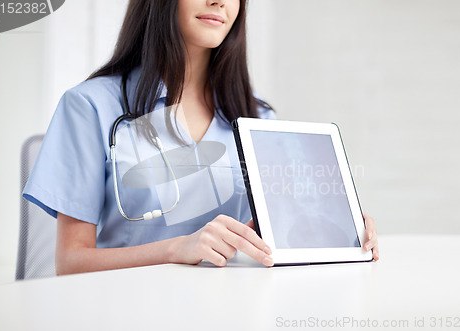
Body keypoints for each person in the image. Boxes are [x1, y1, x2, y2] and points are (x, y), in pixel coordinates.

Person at [23, 0, 379, 275]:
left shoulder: (257, 117)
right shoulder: (90, 106)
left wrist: (340, 232)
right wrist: (177, 249)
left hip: (231, 309)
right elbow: (70, 262)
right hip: (128, 309)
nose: (218, 1)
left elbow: (277, 241)